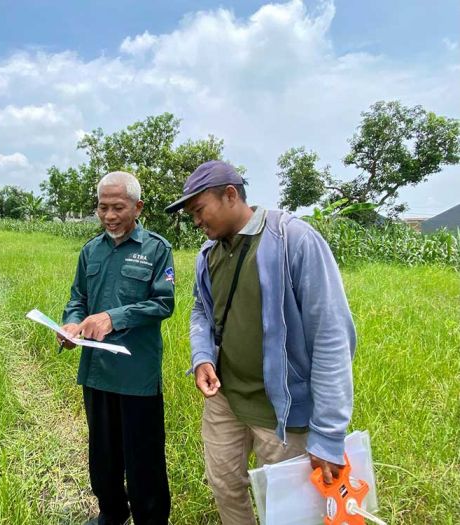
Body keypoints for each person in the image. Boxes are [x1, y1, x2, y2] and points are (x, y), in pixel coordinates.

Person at [165, 160, 356, 525]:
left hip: (280, 411)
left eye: (199, 210)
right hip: (225, 399)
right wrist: (203, 356)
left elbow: (331, 336)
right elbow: (202, 312)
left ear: (231, 195)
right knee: (224, 485)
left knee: (286, 507)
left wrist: (330, 434)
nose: (196, 222)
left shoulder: (293, 240)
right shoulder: (209, 255)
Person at [59, 171, 175, 525]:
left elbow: (163, 303)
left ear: (137, 207)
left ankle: (150, 519)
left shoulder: (156, 249)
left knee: (143, 457)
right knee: (103, 455)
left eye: (118, 207)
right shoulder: (90, 251)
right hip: (97, 372)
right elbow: (77, 298)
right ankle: (111, 512)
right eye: (102, 207)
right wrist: (70, 323)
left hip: (137, 374)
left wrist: (113, 317)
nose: (109, 216)